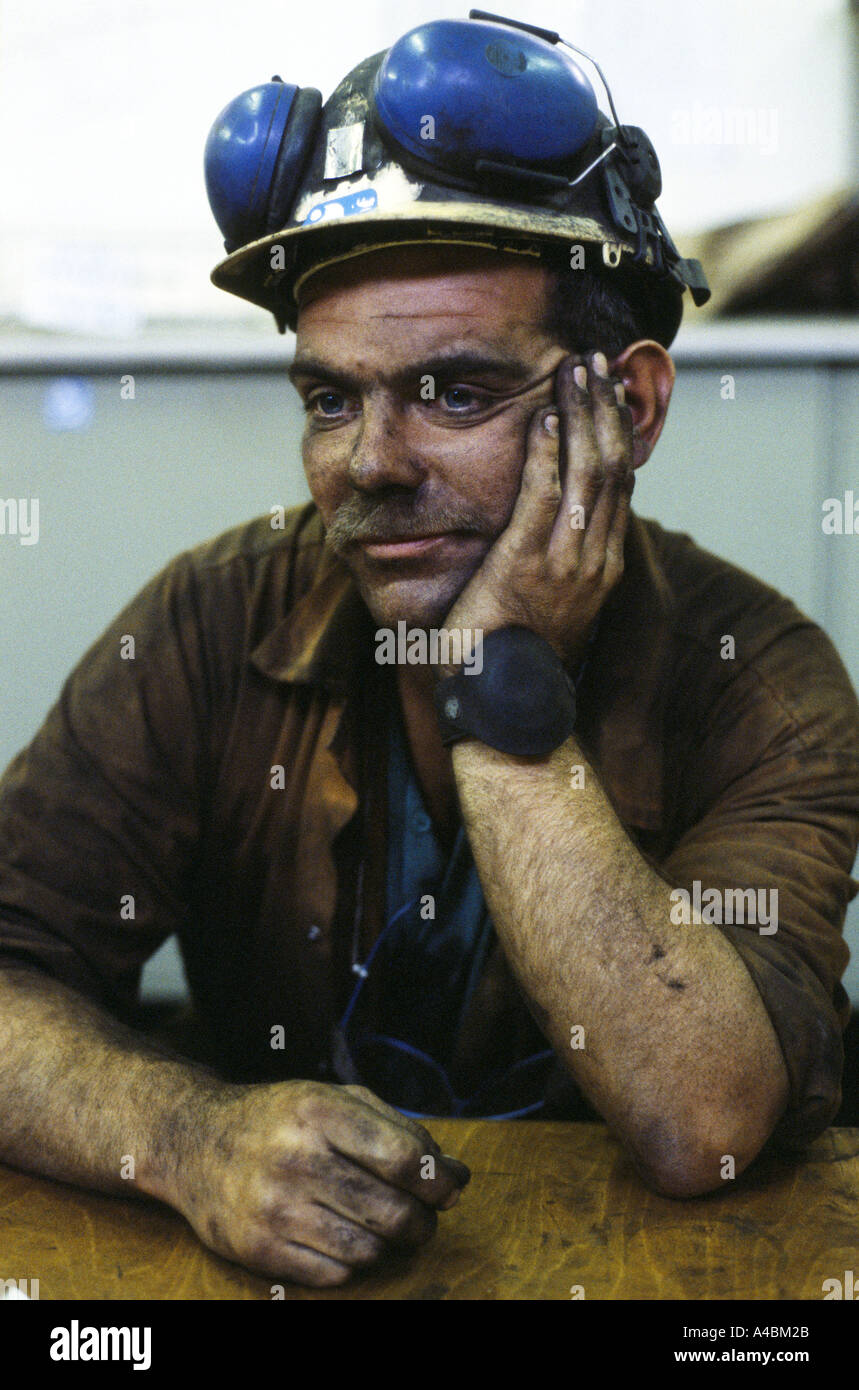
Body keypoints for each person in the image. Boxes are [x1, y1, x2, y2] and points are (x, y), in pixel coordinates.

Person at [1, 16, 858, 1291]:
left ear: (626, 408)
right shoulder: (214, 620)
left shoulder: (760, 680)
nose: (370, 465)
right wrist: (180, 1138)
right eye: (330, 398)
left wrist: (503, 684)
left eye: (455, 393)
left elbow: (703, 1125)